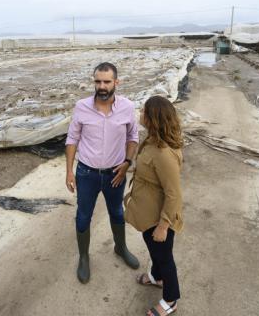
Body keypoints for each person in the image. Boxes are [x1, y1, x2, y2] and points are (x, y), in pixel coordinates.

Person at [65, 62, 140, 284]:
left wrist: (127, 162)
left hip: (115, 174)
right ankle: (84, 257)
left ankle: (121, 247)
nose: (102, 86)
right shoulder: (81, 107)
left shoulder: (127, 107)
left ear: (116, 82)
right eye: (98, 81)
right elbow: (72, 139)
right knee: (83, 216)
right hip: (86, 174)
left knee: (117, 212)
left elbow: (132, 137)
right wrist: (69, 171)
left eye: (107, 81)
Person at [124, 95, 184, 316]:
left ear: (152, 118)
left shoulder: (163, 154)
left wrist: (163, 225)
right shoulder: (151, 141)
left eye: (143, 111)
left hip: (159, 217)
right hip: (148, 213)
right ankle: (156, 277)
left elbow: (174, 193)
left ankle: (171, 299)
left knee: (164, 257)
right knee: (155, 251)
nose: (140, 114)